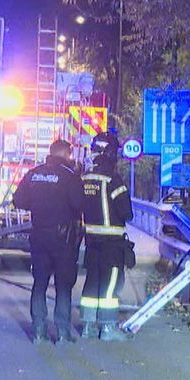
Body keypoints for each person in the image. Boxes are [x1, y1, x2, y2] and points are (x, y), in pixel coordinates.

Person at [13, 139, 85, 344]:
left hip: (39, 235)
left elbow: (19, 201)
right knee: (63, 285)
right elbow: (79, 204)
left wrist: (39, 205)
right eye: (70, 154)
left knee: (40, 282)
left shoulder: (34, 173)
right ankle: (62, 332)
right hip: (63, 238)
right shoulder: (69, 176)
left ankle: (38, 330)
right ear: (65, 154)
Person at [79, 132, 134, 341]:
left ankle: (87, 326)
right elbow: (127, 212)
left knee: (92, 282)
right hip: (112, 244)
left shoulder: (85, 178)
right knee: (111, 284)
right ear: (111, 153)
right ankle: (108, 328)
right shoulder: (113, 179)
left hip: (91, 241)